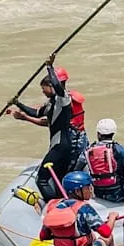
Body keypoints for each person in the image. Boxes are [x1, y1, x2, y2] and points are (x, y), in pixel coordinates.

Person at [7, 64, 86, 202]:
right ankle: (62, 199)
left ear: (51, 86)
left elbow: (57, 84)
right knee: (57, 175)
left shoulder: (63, 99)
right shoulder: (52, 103)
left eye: (44, 89)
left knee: (42, 179)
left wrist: (49, 67)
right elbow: (36, 113)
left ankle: (54, 202)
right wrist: (17, 103)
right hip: (59, 144)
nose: (43, 92)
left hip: (61, 145)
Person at [39, 170, 119, 246]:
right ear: (77, 191)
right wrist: (112, 217)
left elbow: (43, 236)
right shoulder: (84, 208)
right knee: (108, 238)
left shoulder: (54, 208)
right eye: (87, 188)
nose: (90, 190)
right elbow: (106, 232)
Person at [73, 118, 124, 204]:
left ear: (98, 134)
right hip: (118, 192)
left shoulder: (87, 151)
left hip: (97, 192)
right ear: (113, 133)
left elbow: (76, 171)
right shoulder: (120, 149)